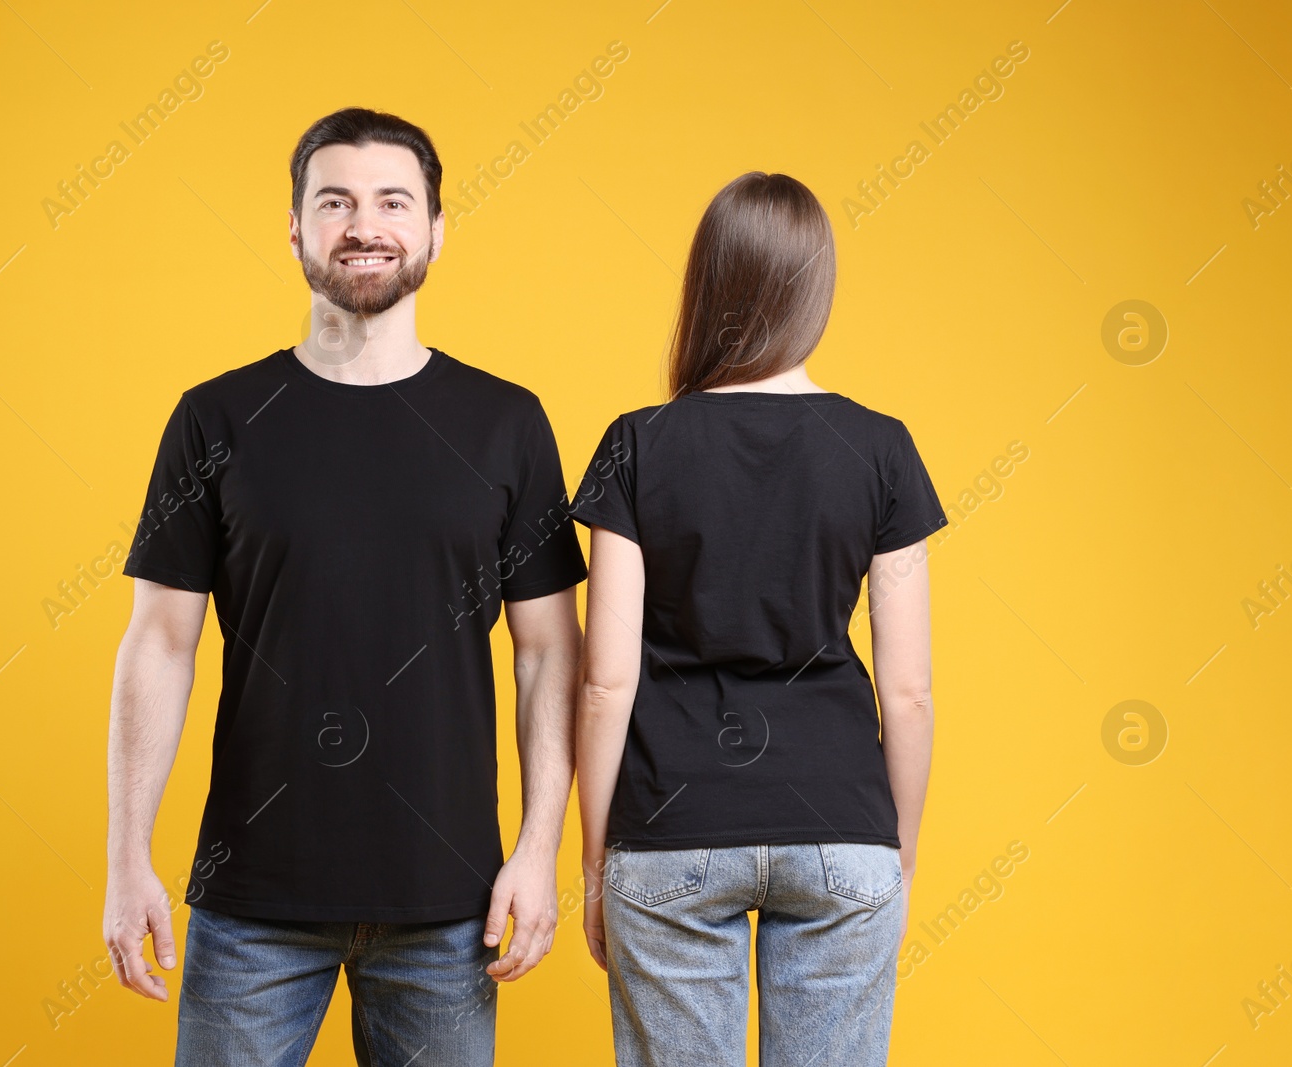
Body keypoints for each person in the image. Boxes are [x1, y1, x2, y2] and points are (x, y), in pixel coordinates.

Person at [104, 107, 589, 1067]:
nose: (364, 224)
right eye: (336, 201)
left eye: (392, 202)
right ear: (295, 228)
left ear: (436, 229)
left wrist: (539, 851)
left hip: (449, 907)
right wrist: (127, 860)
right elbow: (159, 642)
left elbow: (549, 652)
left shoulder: (507, 422)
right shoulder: (216, 419)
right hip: (250, 902)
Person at [570, 171, 948, 1066]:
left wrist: (595, 865)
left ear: (705, 287)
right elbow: (912, 689)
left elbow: (605, 679)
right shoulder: (881, 446)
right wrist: (898, 851)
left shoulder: (637, 443)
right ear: (815, 289)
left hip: (671, 824)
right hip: (843, 822)